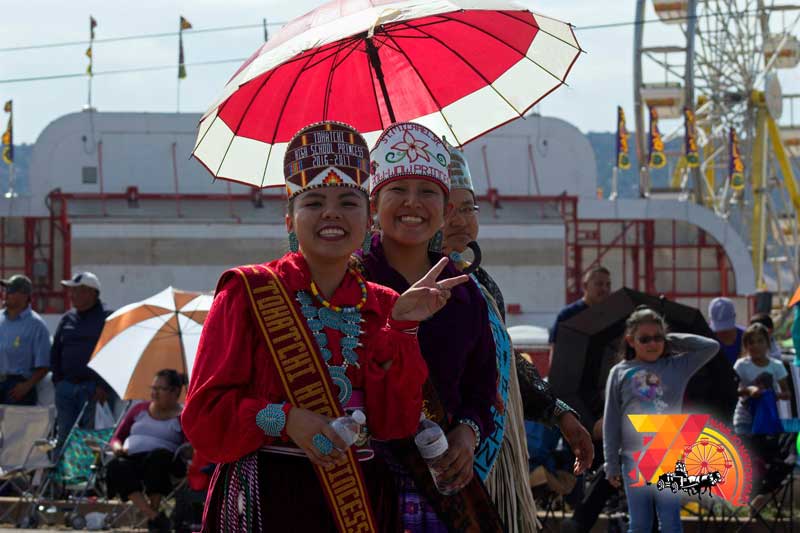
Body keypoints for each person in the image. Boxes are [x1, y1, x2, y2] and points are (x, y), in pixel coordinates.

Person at [183, 122, 451, 532]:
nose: (332, 213)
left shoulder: (382, 304)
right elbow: (204, 415)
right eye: (313, 202)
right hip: (268, 496)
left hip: (361, 497)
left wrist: (402, 329)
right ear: (289, 218)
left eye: (348, 201)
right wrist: (285, 419)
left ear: (368, 219)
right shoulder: (249, 293)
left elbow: (395, 426)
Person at [441, 142, 592, 532]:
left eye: (468, 207)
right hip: (441, 464)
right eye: (446, 208)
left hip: (495, 461)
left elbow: (503, 363)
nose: (459, 220)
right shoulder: (403, 285)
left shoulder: (482, 284)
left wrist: (558, 414)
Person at [360, 121, 502, 532]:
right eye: (397, 191)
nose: (412, 203)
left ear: (446, 208)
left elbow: (483, 385)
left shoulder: (465, 292)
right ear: (374, 204)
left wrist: (469, 434)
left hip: (444, 485)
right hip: (359, 484)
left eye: (427, 192)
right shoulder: (348, 283)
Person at [603, 308, 720, 533]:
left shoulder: (677, 366)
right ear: (630, 340)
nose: (652, 344)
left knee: (671, 524)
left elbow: (711, 346)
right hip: (633, 458)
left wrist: (671, 341)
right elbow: (611, 420)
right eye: (644, 339)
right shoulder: (619, 372)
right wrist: (611, 463)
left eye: (657, 337)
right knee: (639, 525)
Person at [106, 369, 188, 532]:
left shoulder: (183, 415)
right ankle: (154, 516)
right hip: (132, 459)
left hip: (165, 463)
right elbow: (116, 438)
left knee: (157, 458)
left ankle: (154, 513)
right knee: (117, 465)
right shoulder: (139, 409)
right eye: (153, 388)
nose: (154, 393)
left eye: (160, 389)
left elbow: (188, 446)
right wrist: (118, 448)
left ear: (175, 392)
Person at [51, 272, 114, 450]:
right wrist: (58, 382)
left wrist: (103, 386)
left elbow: (114, 354)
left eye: (77, 291)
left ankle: (86, 477)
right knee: (63, 435)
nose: (72, 296)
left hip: (94, 390)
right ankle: (62, 476)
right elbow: (56, 351)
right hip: (67, 388)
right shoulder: (67, 318)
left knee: (90, 438)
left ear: (92, 293)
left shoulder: (108, 318)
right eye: (71, 291)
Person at [0, 274, 50, 405]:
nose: (6, 294)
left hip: (17, 389)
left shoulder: (37, 326)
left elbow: (44, 366)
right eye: (6, 290)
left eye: (11, 290)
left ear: (25, 296)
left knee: (14, 425)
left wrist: (26, 386)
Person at [708, 296, 744, 366]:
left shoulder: (746, 337)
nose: (723, 332)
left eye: (726, 327)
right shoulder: (707, 339)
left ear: (735, 316)